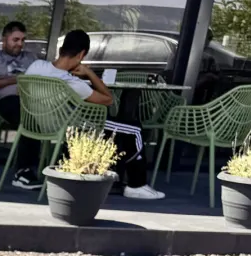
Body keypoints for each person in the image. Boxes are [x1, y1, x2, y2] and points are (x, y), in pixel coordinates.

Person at [27, 29, 166, 200]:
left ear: (62, 48)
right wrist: (89, 73)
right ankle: (137, 185)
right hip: (72, 127)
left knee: (117, 128)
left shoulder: (36, 66)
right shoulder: (71, 82)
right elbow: (108, 99)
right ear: (81, 54)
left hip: (40, 123)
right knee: (133, 129)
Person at [0, 21, 39, 187]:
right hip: (7, 102)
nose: (20, 44)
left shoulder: (30, 58)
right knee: (29, 120)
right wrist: (14, 80)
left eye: (23, 40)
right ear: (4, 39)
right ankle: (23, 172)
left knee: (48, 117)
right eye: (15, 40)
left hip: (31, 100)